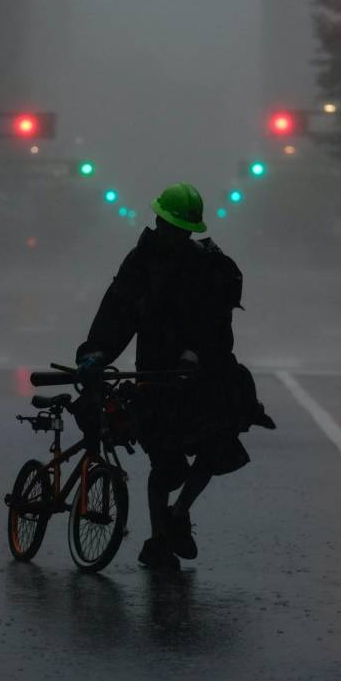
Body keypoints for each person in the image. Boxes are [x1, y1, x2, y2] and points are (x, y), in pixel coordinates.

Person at [75, 182, 273, 570]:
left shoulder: (208, 268)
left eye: (183, 230)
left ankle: (179, 513)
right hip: (155, 376)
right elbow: (118, 310)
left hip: (201, 376)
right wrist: (96, 352)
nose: (175, 235)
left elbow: (216, 324)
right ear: (158, 222)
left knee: (217, 443)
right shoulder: (140, 263)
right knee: (165, 463)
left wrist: (196, 355)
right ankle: (157, 540)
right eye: (171, 227)